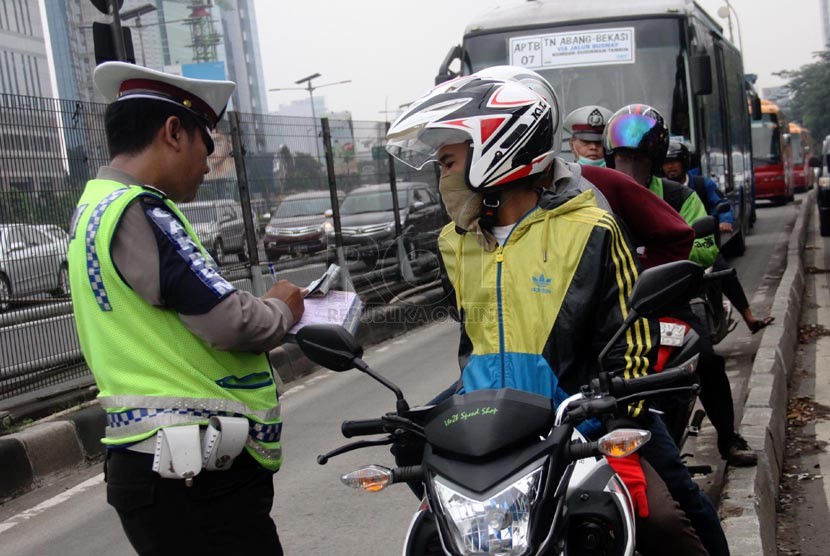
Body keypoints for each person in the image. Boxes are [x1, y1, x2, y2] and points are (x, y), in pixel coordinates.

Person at [387, 71, 708, 556]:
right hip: (497, 425)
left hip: (584, 417)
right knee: (427, 507)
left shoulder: (590, 228)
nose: (440, 175)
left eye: (448, 161)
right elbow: (476, 339)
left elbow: (629, 343)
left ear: (497, 150)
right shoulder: (451, 243)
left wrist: (611, 413)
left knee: (668, 517)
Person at [67, 62, 305, 556]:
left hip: (155, 469)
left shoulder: (93, 208)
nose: (208, 161)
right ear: (174, 132)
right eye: (207, 143)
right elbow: (230, 321)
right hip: (194, 480)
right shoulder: (141, 211)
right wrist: (283, 308)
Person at [603, 104, 758, 471]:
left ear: (654, 159)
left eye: (638, 159)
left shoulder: (677, 197)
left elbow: (703, 248)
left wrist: (666, 263)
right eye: (622, 157)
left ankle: (728, 439)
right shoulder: (596, 197)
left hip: (664, 302)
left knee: (706, 360)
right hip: (611, 308)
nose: (629, 168)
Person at [663, 141, 774, 334]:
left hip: (701, 244)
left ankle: (749, 318)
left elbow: (721, 204)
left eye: (674, 161)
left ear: (684, 162)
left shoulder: (701, 184)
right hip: (671, 249)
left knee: (725, 272)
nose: (670, 166)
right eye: (666, 162)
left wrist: (725, 221)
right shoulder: (659, 189)